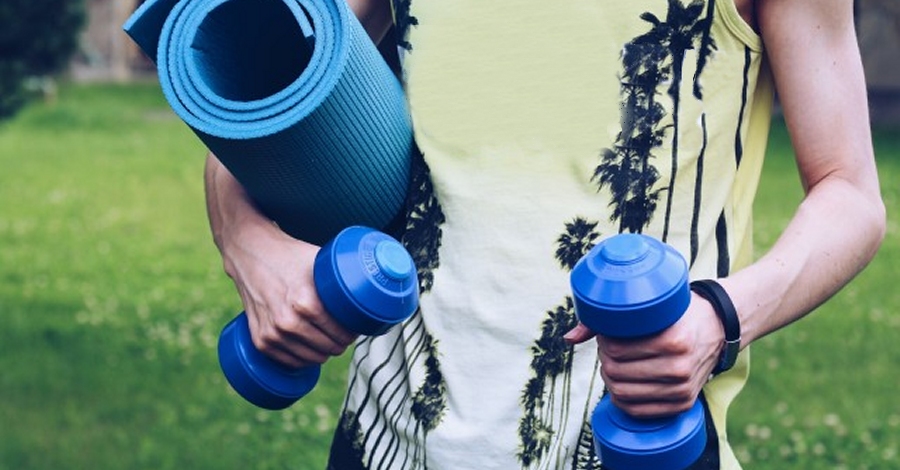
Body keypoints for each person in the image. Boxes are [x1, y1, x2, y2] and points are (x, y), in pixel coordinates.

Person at [203, 0, 885, 468]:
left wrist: (720, 319)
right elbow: (252, 99)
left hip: (630, 449)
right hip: (383, 442)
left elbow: (849, 192)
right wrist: (250, 247)